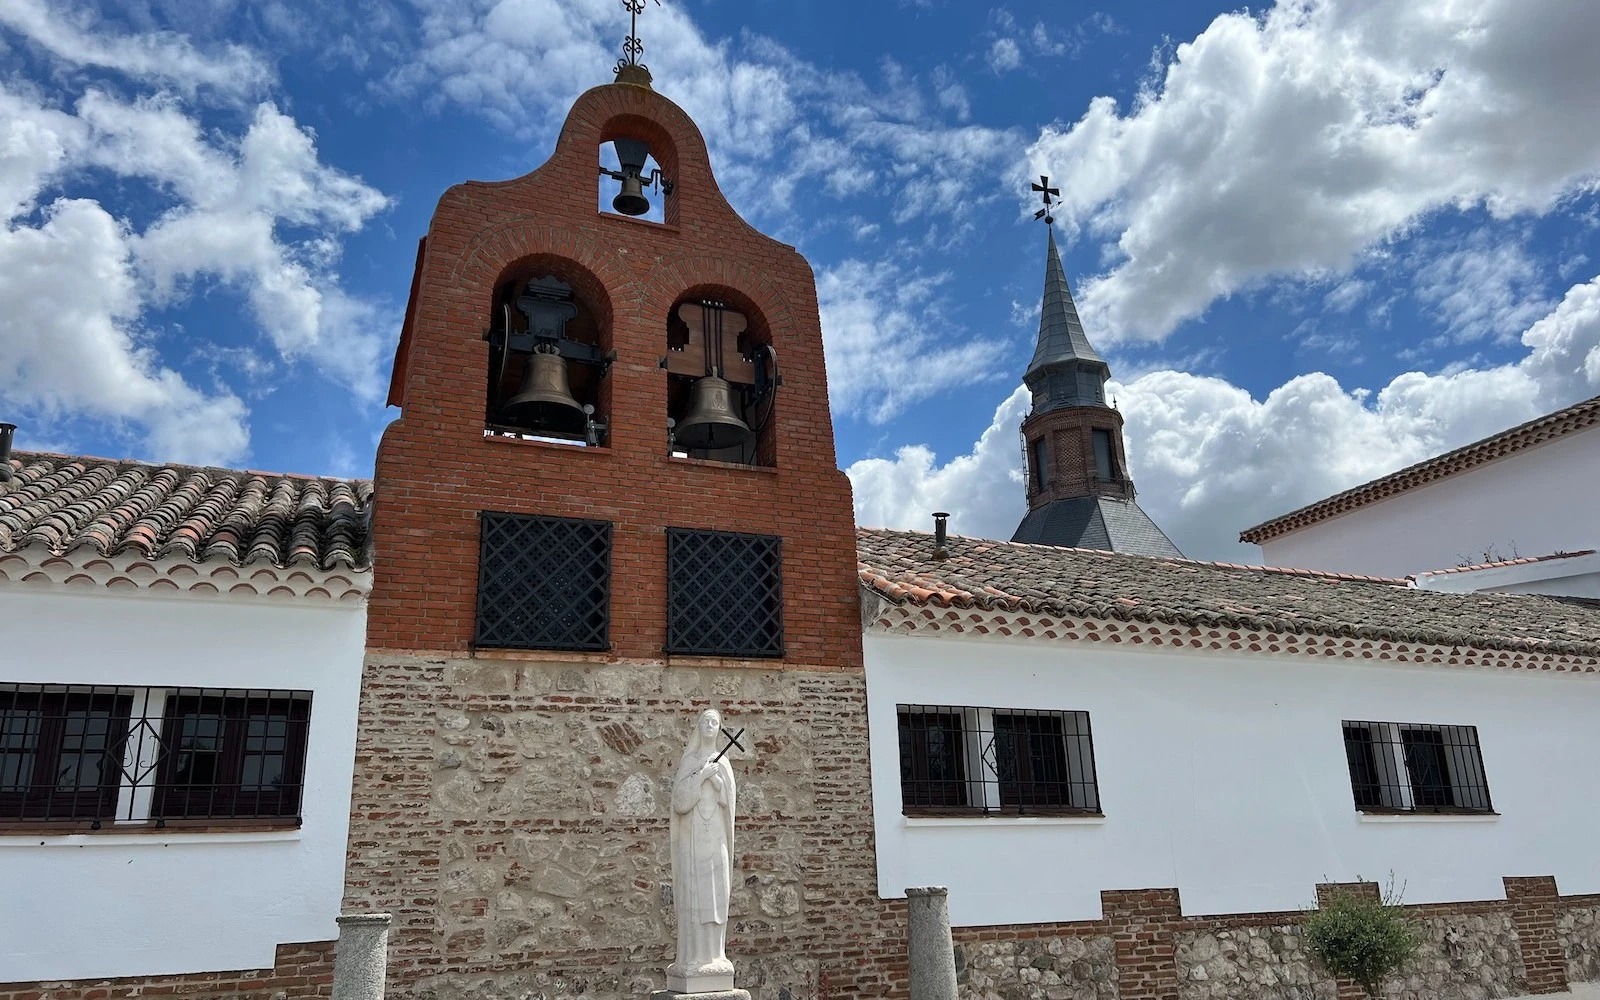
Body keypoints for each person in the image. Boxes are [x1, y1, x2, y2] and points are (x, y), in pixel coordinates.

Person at [668, 708, 736, 986]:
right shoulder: (690, 761)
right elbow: (679, 803)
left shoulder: (725, 764)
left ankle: (716, 956)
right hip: (693, 839)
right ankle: (693, 958)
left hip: (716, 838)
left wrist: (718, 780)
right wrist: (700, 775)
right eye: (706, 721)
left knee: (717, 894)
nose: (710, 726)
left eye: (715, 722)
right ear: (698, 727)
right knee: (695, 895)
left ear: (720, 728)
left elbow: (729, 804)